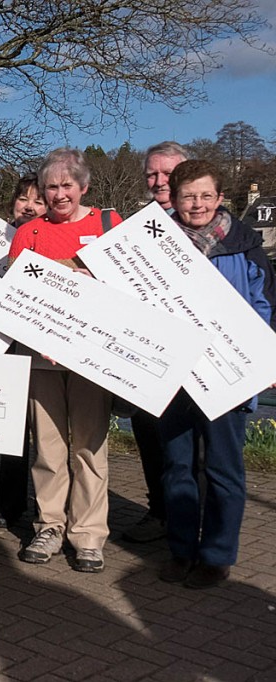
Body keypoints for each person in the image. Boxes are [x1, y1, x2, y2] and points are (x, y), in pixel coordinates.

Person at [156, 160, 276, 589]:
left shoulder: (244, 245)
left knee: (224, 470)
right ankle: (181, 549)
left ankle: (218, 555)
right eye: (189, 196)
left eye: (206, 195)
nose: (198, 204)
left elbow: (265, 307)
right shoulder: (152, 244)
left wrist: (264, 360)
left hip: (228, 375)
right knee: (179, 467)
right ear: (174, 198)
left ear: (220, 198)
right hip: (173, 376)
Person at [8, 148, 121, 573]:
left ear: (83, 187)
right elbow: (18, 298)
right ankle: (50, 525)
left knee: (90, 447)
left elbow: (129, 292)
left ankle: (89, 535)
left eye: (66, 186)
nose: (58, 195)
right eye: (51, 187)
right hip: (42, 358)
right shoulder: (29, 234)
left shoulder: (109, 226)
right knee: (49, 448)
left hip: (93, 358)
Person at [122, 141, 189, 544]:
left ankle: (190, 520)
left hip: (197, 355)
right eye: (152, 174)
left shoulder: (207, 223)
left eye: (167, 173)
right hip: (148, 354)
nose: (159, 181)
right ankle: (159, 512)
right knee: (149, 433)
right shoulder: (137, 227)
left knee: (191, 446)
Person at [0, 174, 47, 528]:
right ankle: (9, 504)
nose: (29, 206)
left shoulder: (51, 238)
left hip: (43, 348)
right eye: (23, 198)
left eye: (38, 201)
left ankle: (48, 507)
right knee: (11, 429)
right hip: (4, 344)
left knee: (46, 433)